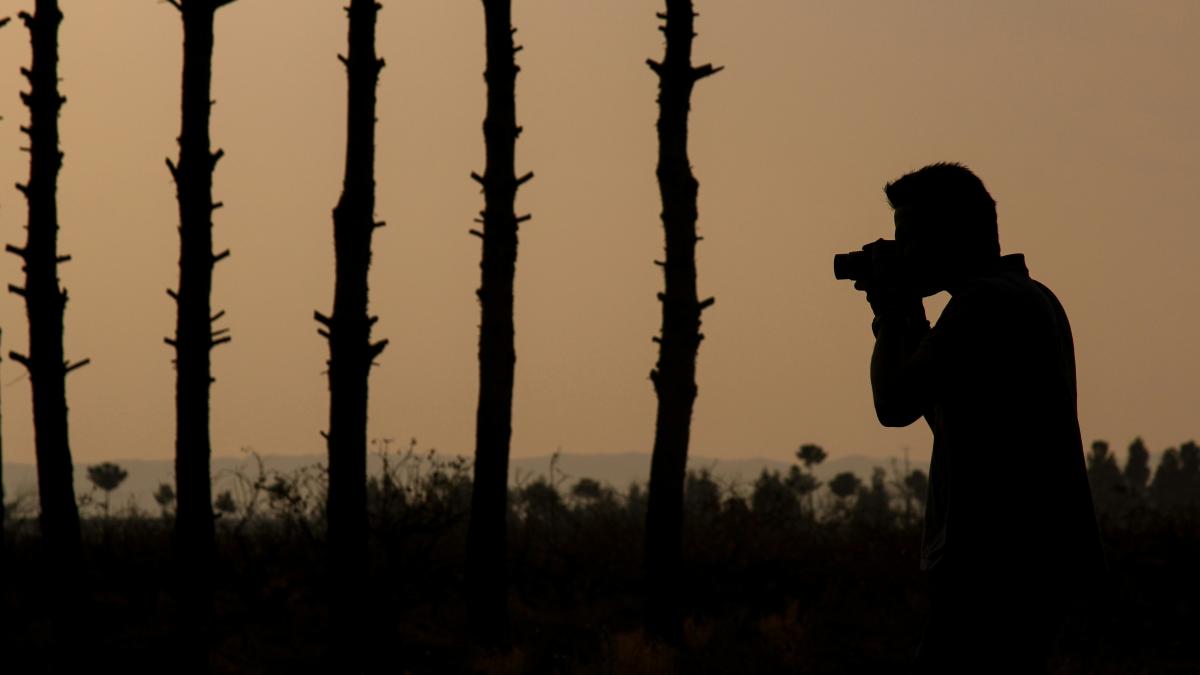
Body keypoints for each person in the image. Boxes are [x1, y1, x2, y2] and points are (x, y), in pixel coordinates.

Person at [855, 163, 1104, 673]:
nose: (902, 253)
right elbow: (947, 415)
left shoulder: (982, 305)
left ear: (948, 236)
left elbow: (894, 404)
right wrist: (913, 321)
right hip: (1031, 564)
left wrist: (888, 314)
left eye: (909, 238)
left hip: (991, 567)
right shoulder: (1029, 297)